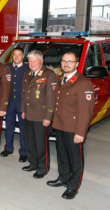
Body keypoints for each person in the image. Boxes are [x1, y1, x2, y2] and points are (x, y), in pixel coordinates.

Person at [47, 52, 95, 200]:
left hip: (74, 129)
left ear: (76, 63)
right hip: (60, 125)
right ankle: (63, 178)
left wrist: (80, 132)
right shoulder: (61, 79)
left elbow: (85, 111)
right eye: (64, 61)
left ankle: (73, 186)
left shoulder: (83, 83)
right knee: (62, 155)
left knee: (75, 158)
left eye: (70, 61)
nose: (66, 64)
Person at [21, 50, 57, 178]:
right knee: (30, 141)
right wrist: (23, 110)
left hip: (41, 116)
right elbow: (24, 94)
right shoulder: (27, 73)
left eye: (35, 61)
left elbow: (51, 98)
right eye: (30, 61)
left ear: (41, 61)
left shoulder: (49, 74)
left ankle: (43, 167)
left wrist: (48, 117)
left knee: (41, 143)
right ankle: (33, 163)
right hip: (28, 114)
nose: (32, 63)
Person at [0, 47, 29, 162]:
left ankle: (23, 151)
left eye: (19, 55)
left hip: (22, 103)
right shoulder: (7, 67)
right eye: (14, 55)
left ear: (23, 56)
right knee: (9, 126)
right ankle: (8, 148)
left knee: (23, 128)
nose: (16, 57)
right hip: (10, 102)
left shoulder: (28, 68)